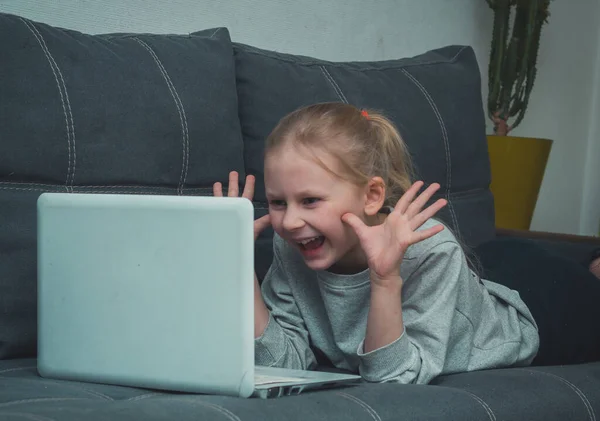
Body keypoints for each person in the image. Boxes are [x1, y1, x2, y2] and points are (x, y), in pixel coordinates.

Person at [213, 102, 600, 385]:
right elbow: (280, 361)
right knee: (488, 261)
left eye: (310, 200)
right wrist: (238, 265)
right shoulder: (291, 246)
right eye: (278, 203)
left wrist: (384, 279)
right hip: (482, 273)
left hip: (541, 311)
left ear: (371, 196)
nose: (291, 221)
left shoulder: (430, 251)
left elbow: (395, 377)